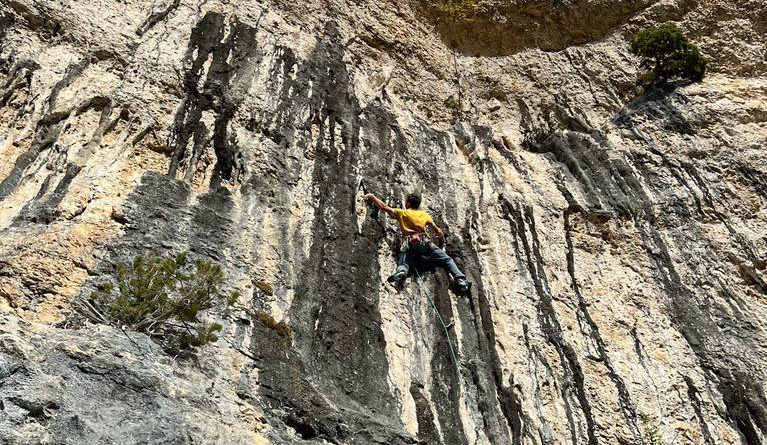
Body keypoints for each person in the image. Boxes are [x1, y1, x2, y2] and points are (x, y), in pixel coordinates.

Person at [365, 192, 471, 294]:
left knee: (405, 257)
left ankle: (402, 271)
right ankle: (461, 280)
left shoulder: (403, 213)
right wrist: (442, 241)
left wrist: (372, 197)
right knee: (447, 259)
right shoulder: (424, 215)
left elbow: (384, 207)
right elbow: (438, 231)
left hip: (411, 243)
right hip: (425, 244)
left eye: (406, 202)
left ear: (409, 203)